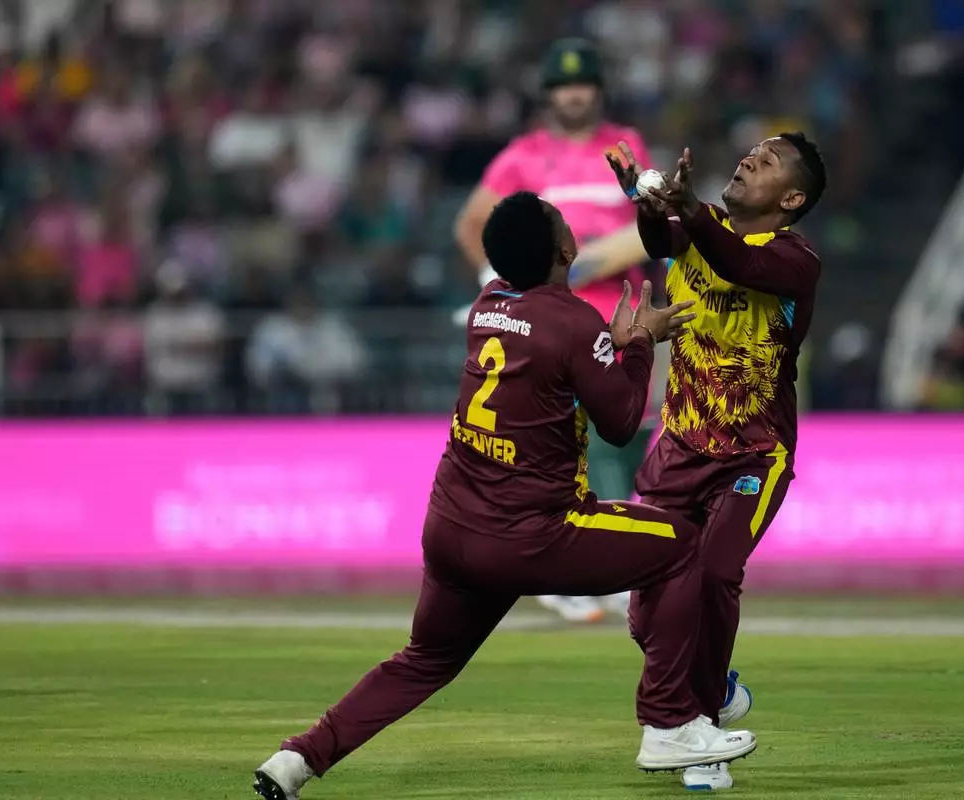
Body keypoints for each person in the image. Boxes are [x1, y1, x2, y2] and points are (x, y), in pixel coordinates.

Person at [252, 192, 755, 800]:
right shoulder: (574, 323)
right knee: (682, 546)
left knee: (424, 661)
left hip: (451, 528)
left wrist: (611, 347)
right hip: (530, 534)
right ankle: (670, 722)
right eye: (563, 222)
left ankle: (298, 758)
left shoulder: (486, 308)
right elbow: (622, 422)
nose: (572, 226)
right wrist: (642, 341)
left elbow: (549, 367)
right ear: (566, 249)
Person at [608, 134, 826, 792]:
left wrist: (689, 209)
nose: (748, 159)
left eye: (766, 161)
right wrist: (648, 202)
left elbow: (734, 264)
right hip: (678, 445)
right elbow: (660, 241)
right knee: (648, 617)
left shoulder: (795, 259)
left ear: (790, 199)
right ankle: (713, 691)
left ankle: (696, 734)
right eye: (750, 152)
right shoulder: (697, 230)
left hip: (753, 453)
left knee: (711, 573)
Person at [454, 38, 658, 624]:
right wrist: (494, 273)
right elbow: (471, 223)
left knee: (631, 433)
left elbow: (646, 224)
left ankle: (596, 564)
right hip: (550, 321)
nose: (575, 95)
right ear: (549, 95)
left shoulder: (626, 147)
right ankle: (582, 569)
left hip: (618, 313)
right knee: (572, 444)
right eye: (564, 86)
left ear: (599, 91)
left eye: (585, 85)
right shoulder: (523, 156)